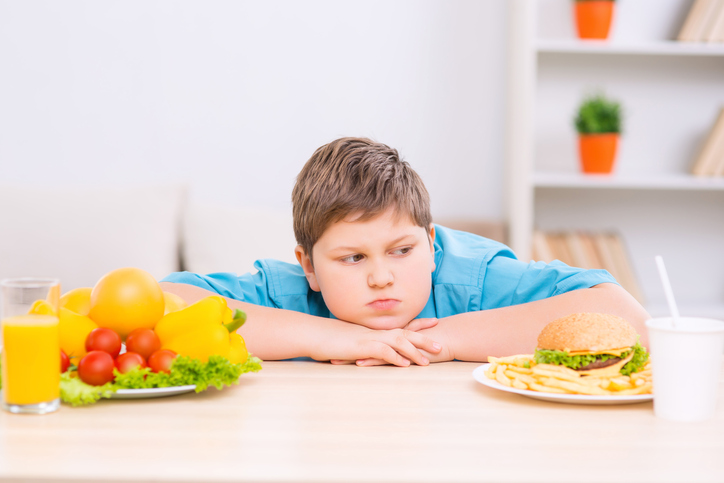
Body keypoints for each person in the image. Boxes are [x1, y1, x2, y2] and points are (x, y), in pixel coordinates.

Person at [161, 137, 649, 366]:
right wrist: (324, 336)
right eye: (353, 259)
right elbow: (160, 303)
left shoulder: (469, 278)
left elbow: (629, 319)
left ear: (431, 245)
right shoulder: (289, 292)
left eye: (402, 250)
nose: (381, 277)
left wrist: (448, 340)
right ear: (308, 266)